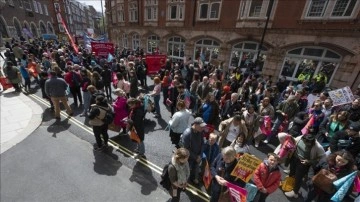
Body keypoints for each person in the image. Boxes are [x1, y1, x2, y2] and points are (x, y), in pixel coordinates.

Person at [284, 131, 326, 198]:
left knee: (298, 177)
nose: (306, 144)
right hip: (294, 158)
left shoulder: (318, 146)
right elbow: (294, 141)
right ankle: (290, 186)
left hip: (303, 163)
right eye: (305, 142)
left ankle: (295, 193)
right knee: (291, 173)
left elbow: (323, 158)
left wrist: (309, 161)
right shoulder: (301, 137)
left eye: (308, 143)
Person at [180, 117, 207, 184]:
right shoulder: (187, 133)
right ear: (195, 124)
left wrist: (200, 155)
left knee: (196, 167)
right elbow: (186, 149)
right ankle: (183, 181)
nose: (203, 128)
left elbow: (202, 143)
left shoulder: (200, 131)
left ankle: (193, 177)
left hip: (197, 155)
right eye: (201, 126)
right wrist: (196, 157)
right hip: (189, 157)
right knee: (186, 169)